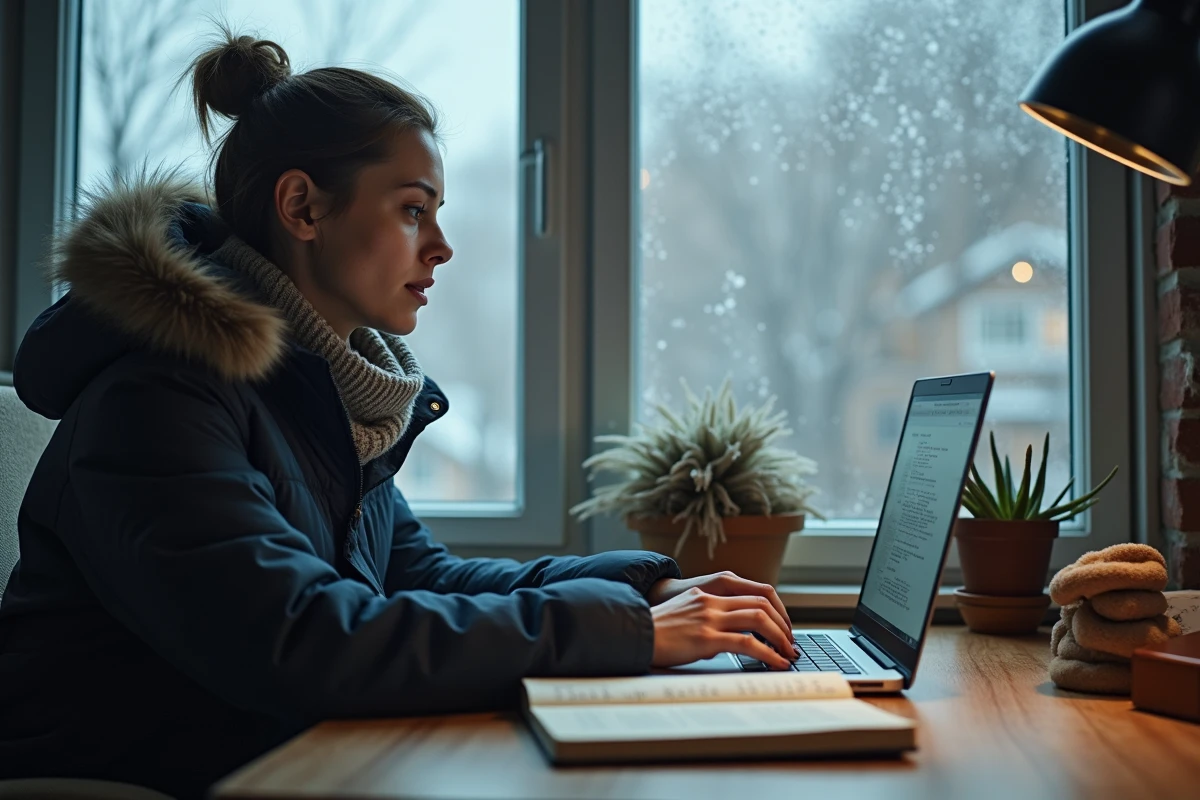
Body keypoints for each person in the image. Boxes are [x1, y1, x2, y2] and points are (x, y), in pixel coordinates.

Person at [0, 30, 798, 799]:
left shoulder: (325, 396)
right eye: (414, 210)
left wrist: (647, 589)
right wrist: (625, 630)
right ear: (303, 208)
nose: (442, 245)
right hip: (134, 781)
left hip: (271, 757)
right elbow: (303, 641)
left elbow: (425, 577)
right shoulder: (159, 400)